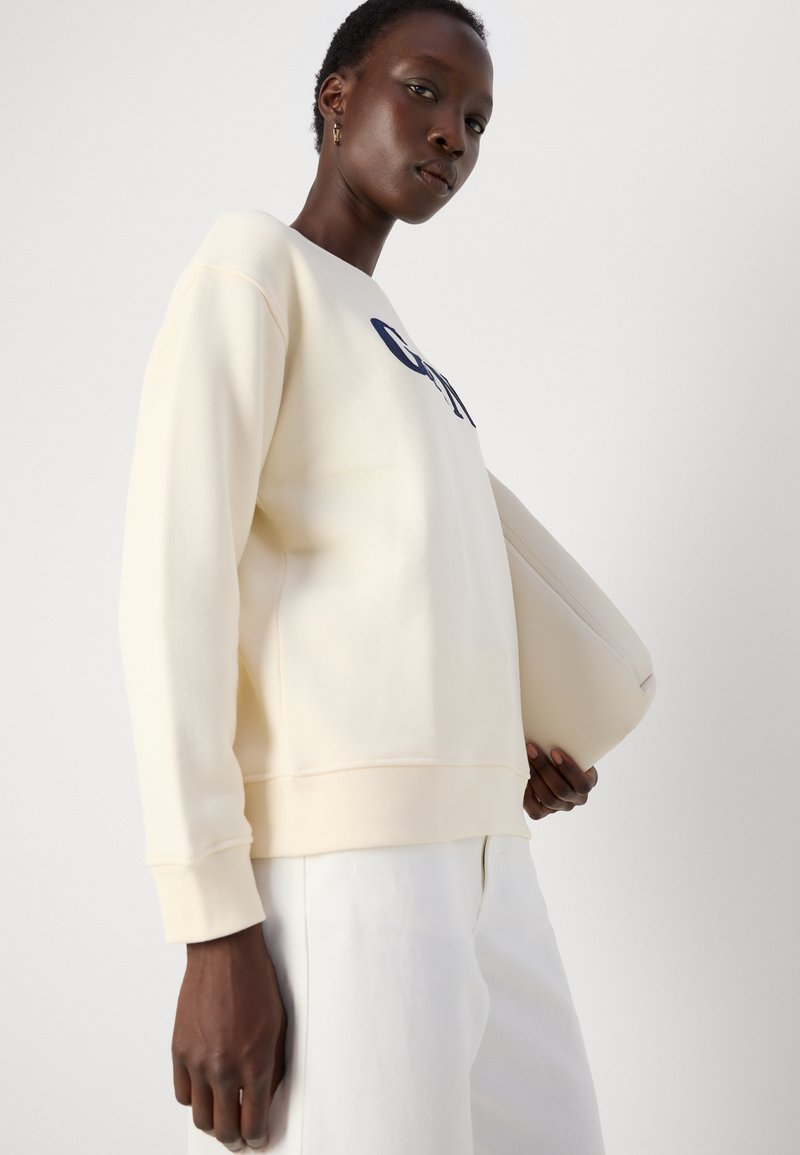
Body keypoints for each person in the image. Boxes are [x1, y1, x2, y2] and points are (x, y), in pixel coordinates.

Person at [117, 1, 605, 1151]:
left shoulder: (405, 351)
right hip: (345, 875)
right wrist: (212, 923)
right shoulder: (252, 267)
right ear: (336, 99)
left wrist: (500, 756)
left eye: (476, 120)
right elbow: (173, 591)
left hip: (487, 868)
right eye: (424, 91)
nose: (451, 135)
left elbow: (399, 601)